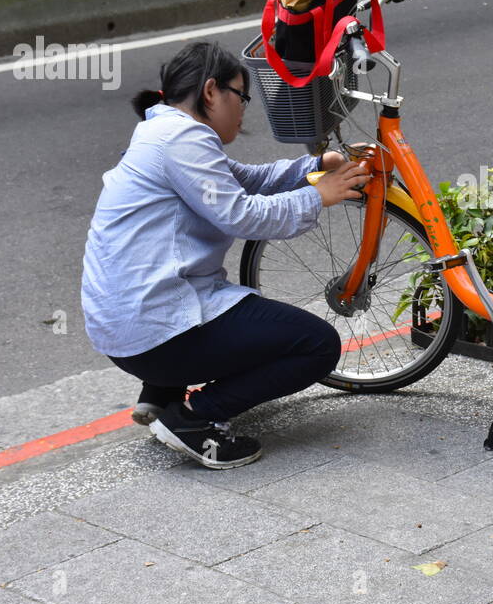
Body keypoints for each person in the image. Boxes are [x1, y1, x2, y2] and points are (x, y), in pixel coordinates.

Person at [81, 41, 372, 469]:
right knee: (317, 344)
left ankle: (161, 393)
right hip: (153, 329)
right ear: (212, 91)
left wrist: (310, 168)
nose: (243, 109)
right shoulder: (180, 138)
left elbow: (245, 180)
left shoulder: (160, 132)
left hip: (126, 328)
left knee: (238, 316)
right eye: (242, 96)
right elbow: (241, 215)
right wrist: (317, 196)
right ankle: (193, 420)